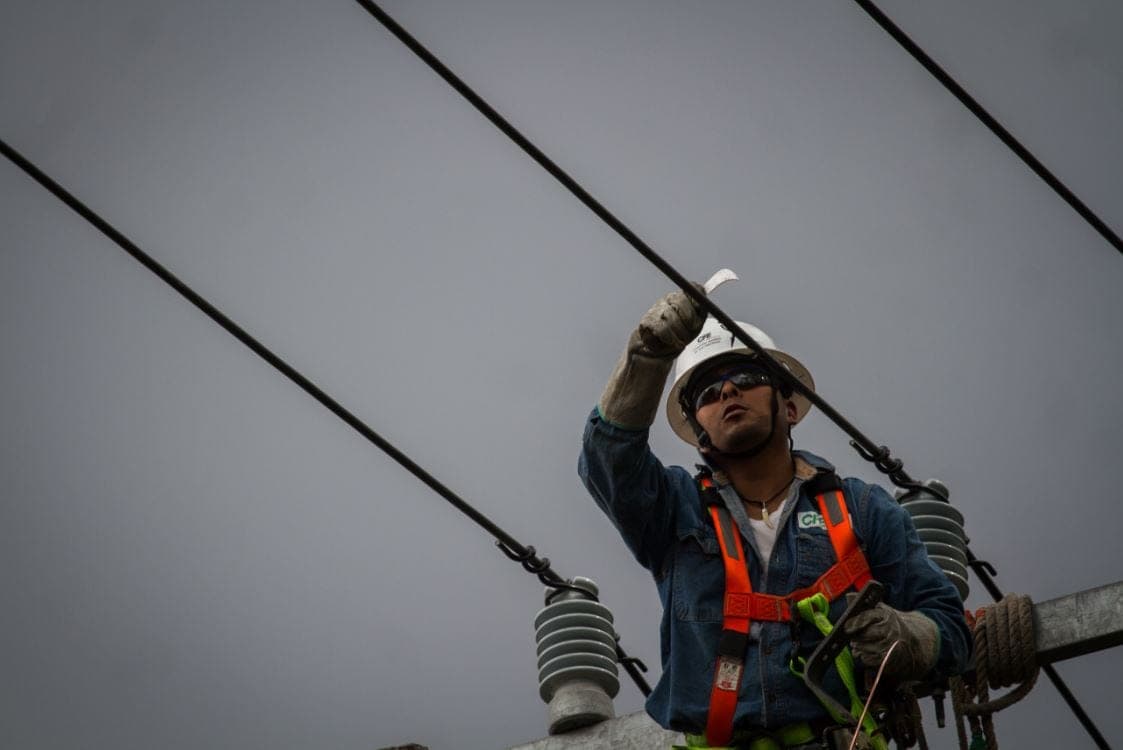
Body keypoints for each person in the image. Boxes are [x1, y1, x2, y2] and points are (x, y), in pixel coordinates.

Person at [579, 287, 971, 749]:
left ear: (788, 406)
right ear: (699, 434)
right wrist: (647, 357)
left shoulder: (861, 511)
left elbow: (952, 633)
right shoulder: (674, 510)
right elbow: (608, 458)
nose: (727, 390)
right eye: (708, 391)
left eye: (746, 376)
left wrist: (909, 636)